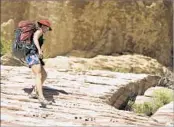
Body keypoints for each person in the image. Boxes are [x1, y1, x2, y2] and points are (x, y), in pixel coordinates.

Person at [25, 19, 52, 107]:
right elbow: (35, 38)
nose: (47, 30)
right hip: (32, 54)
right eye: (47, 28)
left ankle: (34, 92)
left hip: (34, 54)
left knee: (44, 74)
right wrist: (39, 50)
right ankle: (41, 97)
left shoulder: (39, 32)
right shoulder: (39, 31)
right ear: (43, 26)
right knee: (38, 75)